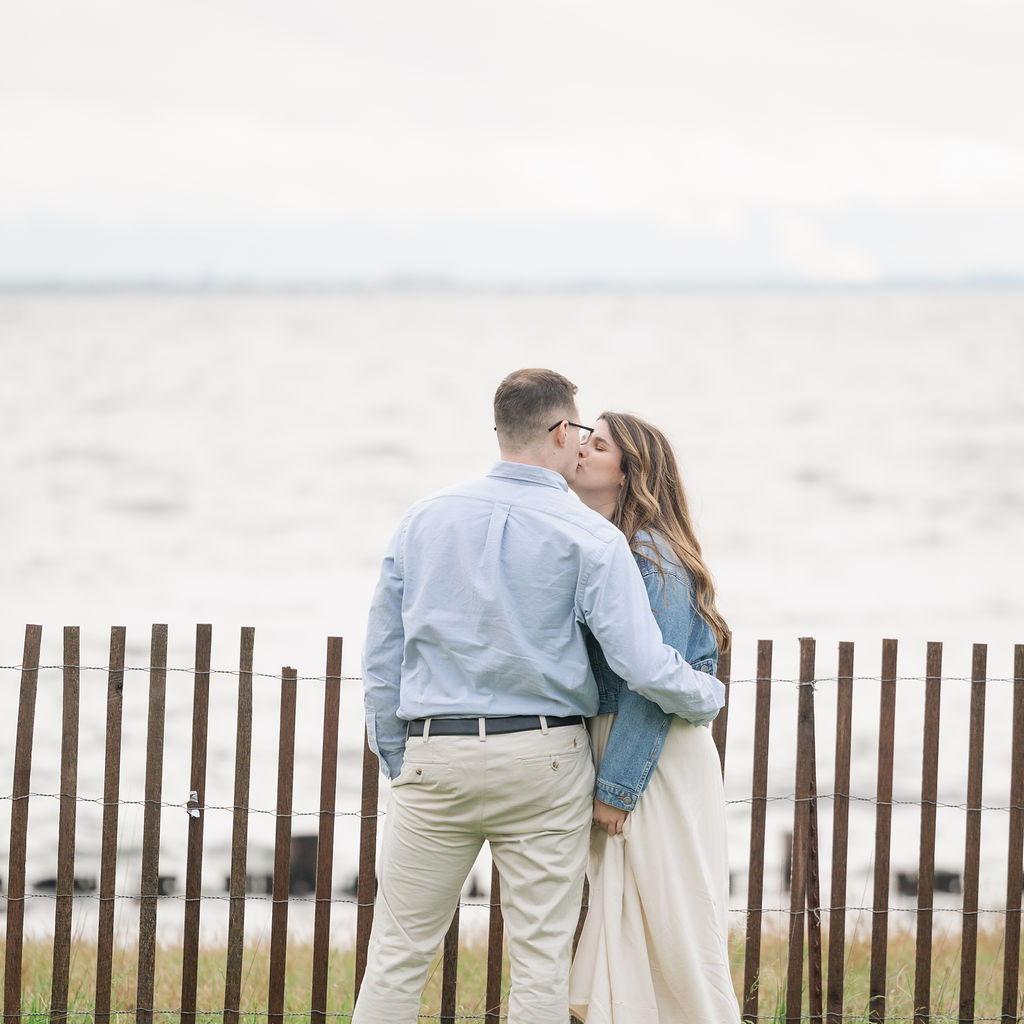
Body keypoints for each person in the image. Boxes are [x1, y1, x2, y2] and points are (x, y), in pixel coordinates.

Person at [352, 369, 725, 1024]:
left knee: (398, 953)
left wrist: (398, 757)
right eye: (580, 430)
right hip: (544, 758)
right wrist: (703, 695)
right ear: (559, 431)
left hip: (436, 754)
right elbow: (642, 663)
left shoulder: (424, 519)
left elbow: (383, 655)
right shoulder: (593, 537)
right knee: (540, 963)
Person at [568, 411, 741, 1024]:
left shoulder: (650, 556)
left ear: (629, 472)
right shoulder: (613, 546)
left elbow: (653, 681)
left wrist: (617, 788)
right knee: (632, 923)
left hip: (650, 756)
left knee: (673, 929)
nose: (581, 450)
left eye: (599, 445)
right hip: (632, 749)